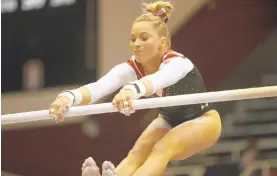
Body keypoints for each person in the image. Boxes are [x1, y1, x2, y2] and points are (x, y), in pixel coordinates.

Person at [49, 1, 222, 175]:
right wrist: (69, 97)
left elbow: (157, 80)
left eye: (144, 38)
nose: (136, 44)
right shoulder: (132, 68)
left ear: (162, 44)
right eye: (133, 39)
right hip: (169, 120)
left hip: (203, 120)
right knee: (136, 154)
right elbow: (98, 88)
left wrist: (131, 90)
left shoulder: (178, 63)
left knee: (162, 148)